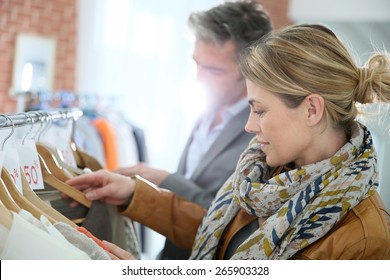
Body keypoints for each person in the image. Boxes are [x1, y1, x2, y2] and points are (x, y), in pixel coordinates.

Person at [68, 23, 390, 259]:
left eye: (260, 111)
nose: (249, 126)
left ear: (312, 109)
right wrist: (134, 194)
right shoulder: (265, 178)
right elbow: (216, 231)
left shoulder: (366, 240)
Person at [113, 0, 272, 259]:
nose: (199, 77)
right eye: (197, 63)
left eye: (213, 70)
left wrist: (164, 180)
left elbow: (233, 221)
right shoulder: (208, 106)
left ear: (251, 70)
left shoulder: (263, 131)